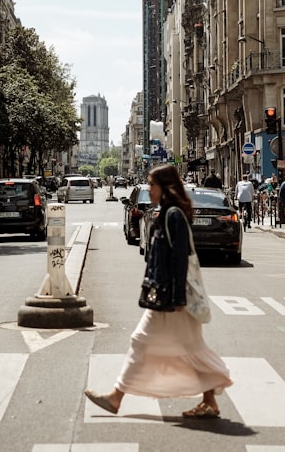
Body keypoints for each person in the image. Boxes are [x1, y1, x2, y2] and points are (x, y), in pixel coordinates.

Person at [84, 163, 232, 418]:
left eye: (152, 184)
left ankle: (116, 398)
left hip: (172, 298)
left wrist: (177, 298)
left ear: (165, 187)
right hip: (166, 295)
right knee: (189, 348)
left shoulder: (172, 214)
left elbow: (179, 257)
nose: (148, 188)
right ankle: (210, 400)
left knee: (145, 342)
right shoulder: (164, 212)